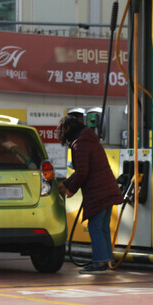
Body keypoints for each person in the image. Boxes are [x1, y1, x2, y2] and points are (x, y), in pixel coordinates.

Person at [56, 115, 123, 274]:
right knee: (102, 227)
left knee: (95, 227)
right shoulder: (89, 140)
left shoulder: (80, 144)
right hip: (107, 188)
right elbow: (82, 170)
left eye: (61, 131)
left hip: (98, 191)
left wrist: (70, 189)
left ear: (67, 130)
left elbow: (83, 172)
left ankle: (99, 263)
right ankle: (105, 259)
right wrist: (66, 184)